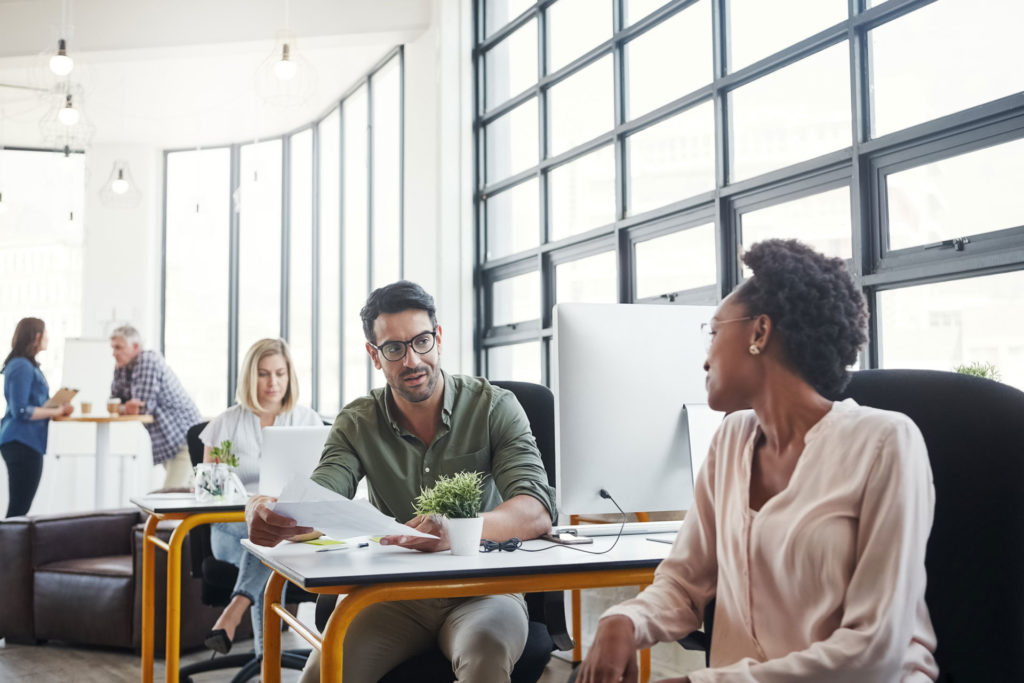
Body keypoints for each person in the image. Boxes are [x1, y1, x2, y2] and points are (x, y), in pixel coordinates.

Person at [578, 239, 939, 683]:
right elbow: (683, 584)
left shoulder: (884, 442)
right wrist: (625, 621)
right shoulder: (731, 439)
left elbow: (874, 650)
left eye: (713, 331)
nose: (704, 358)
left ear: (759, 332)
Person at [246, 280, 556, 683]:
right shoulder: (357, 421)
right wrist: (267, 509)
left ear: (438, 339)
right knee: (322, 675)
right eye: (394, 348)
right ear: (375, 356)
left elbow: (534, 510)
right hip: (393, 595)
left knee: (486, 659)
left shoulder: (494, 407)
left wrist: (455, 530)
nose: (412, 360)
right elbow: (321, 500)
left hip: (485, 588)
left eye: (421, 341)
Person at [199, 338, 322, 655]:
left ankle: (234, 613)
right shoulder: (224, 424)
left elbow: (321, 483)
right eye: (264, 374)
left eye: (280, 373)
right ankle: (268, 665)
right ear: (249, 377)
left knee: (273, 533)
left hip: (291, 529)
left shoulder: (307, 420)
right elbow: (206, 491)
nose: (273, 382)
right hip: (230, 529)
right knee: (266, 537)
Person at [110, 324, 201, 488]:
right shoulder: (122, 368)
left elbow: (142, 408)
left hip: (183, 438)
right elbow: (113, 402)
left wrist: (123, 407)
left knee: (172, 498)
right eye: (113, 348)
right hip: (169, 443)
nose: (114, 353)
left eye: (119, 347)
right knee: (183, 497)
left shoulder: (147, 361)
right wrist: (124, 407)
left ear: (135, 346)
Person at [0, 318, 74, 518]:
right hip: (20, 442)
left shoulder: (28, 366)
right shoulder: (21, 366)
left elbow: (33, 404)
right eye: (46, 333)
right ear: (37, 336)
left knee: (21, 506)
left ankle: (9, 547)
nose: (48, 338)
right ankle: (8, 548)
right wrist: (54, 412)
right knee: (18, 508)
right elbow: (21, 411)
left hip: (27, 442)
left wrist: (57, 406)